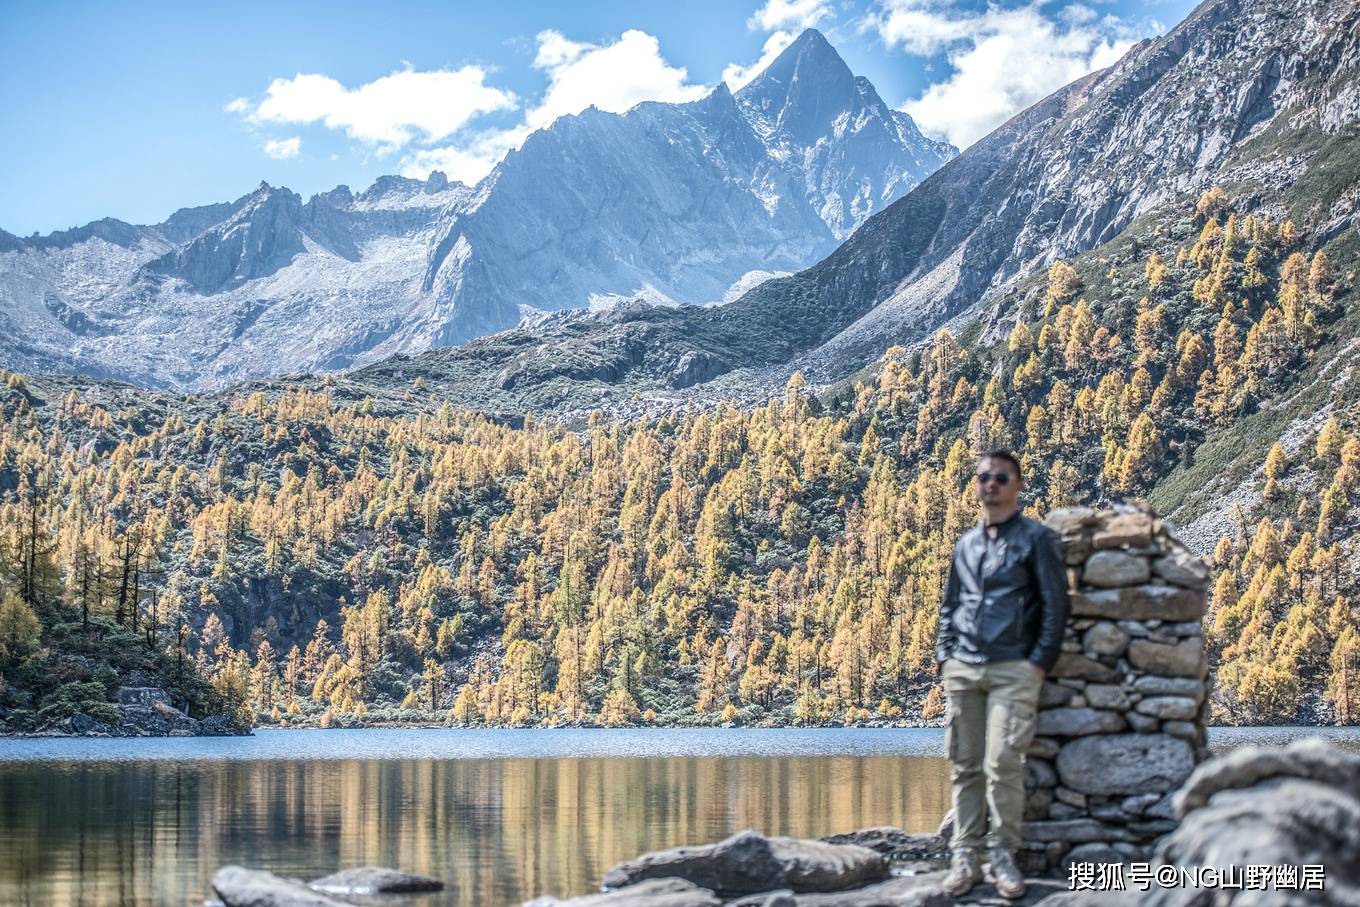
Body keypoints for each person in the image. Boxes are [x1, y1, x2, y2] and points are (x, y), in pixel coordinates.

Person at [934, 449, 1071, 899]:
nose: (990, 484)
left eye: (1000, 477)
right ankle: (965, 856)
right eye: (983, 477)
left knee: (1002, 764)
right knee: (965, 766)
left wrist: (1037, 665)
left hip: (1014, 668)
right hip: (964, 670)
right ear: (976, 486)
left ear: (1017, 485)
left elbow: (1055, 607)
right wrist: (945, 657)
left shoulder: (1037, 540)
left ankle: (1002, 855)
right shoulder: (965, 545)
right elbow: (950, 607)